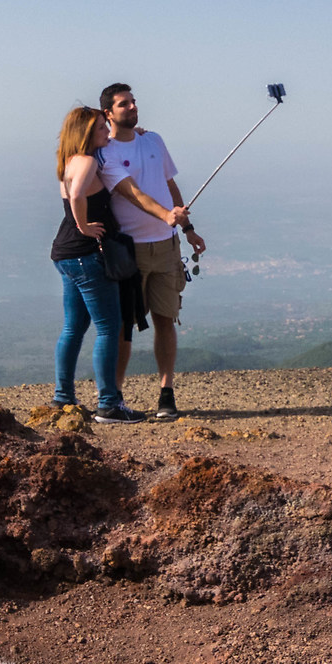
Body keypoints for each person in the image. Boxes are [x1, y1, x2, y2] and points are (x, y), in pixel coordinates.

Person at [95, 83, 205, 417]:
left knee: (166, 319)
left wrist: (187, 228)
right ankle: (114, 397)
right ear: (108, 113)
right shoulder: (105, 152)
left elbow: (169, 184)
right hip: (131, 251)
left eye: (133, 101)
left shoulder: (153, 140)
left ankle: (166, 393)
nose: (132, 107)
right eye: (123, 104)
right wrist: (167, 215)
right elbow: (133, 194)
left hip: (167, 246)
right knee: (124, 326)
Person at [51, 105, 139, 422]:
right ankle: (109, 404)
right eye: (102, 128)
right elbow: (77, 196)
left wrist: (135, 134)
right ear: (86, 133)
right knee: (108, 328)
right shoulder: (87, 162)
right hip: (86, 255)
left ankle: (63, 397)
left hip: (66, 254)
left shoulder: (68, 161)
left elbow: (74, 192)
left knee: (73, 327)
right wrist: (85, 226)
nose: (107, 132)